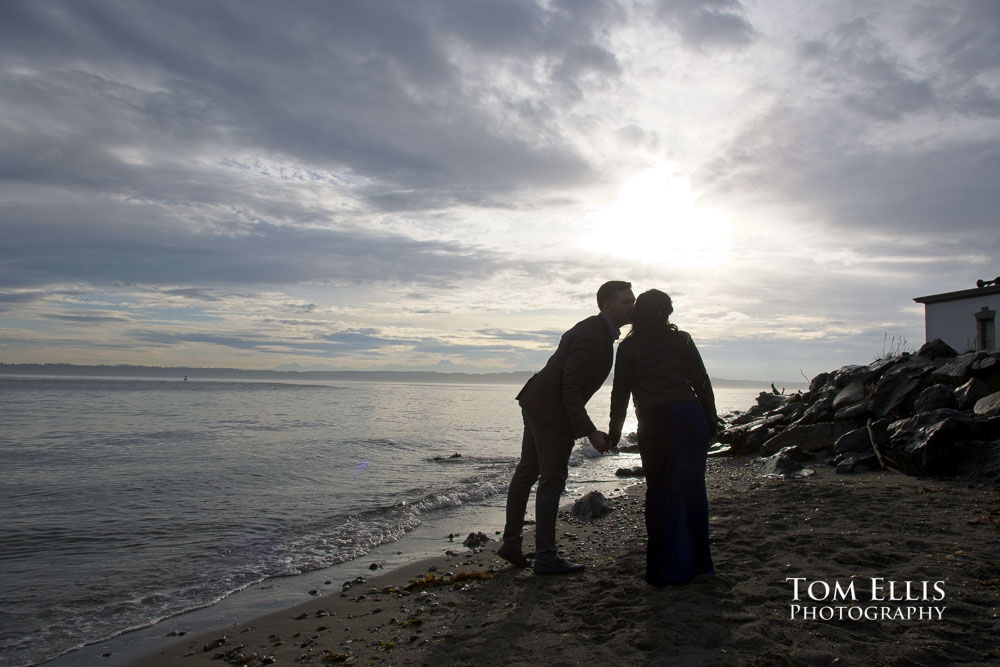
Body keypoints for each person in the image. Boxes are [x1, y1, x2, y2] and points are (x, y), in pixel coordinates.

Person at [499, 281, 635, 575]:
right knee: (551, 478)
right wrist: (591, 431)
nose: (632, 306)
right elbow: (569, 389)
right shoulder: (594, 336)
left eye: (633, 300)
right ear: (607, 306)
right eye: (626, 302)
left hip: (537, 399)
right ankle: (546, 557)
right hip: (550, 409)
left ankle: (512, 544)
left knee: (527, 472)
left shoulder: (595, 331)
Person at [608, 289, 718, 586]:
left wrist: (614, 433)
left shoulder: (628, 348)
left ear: (638, 314)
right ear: (667, 313)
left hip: (655, 421)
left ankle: (663, 569)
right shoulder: (680, 340)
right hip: (689, 416)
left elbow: (620, 394)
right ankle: (697, 564)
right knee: (693, 490)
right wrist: (712, 421)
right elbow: (702, 382)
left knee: (659, 492)